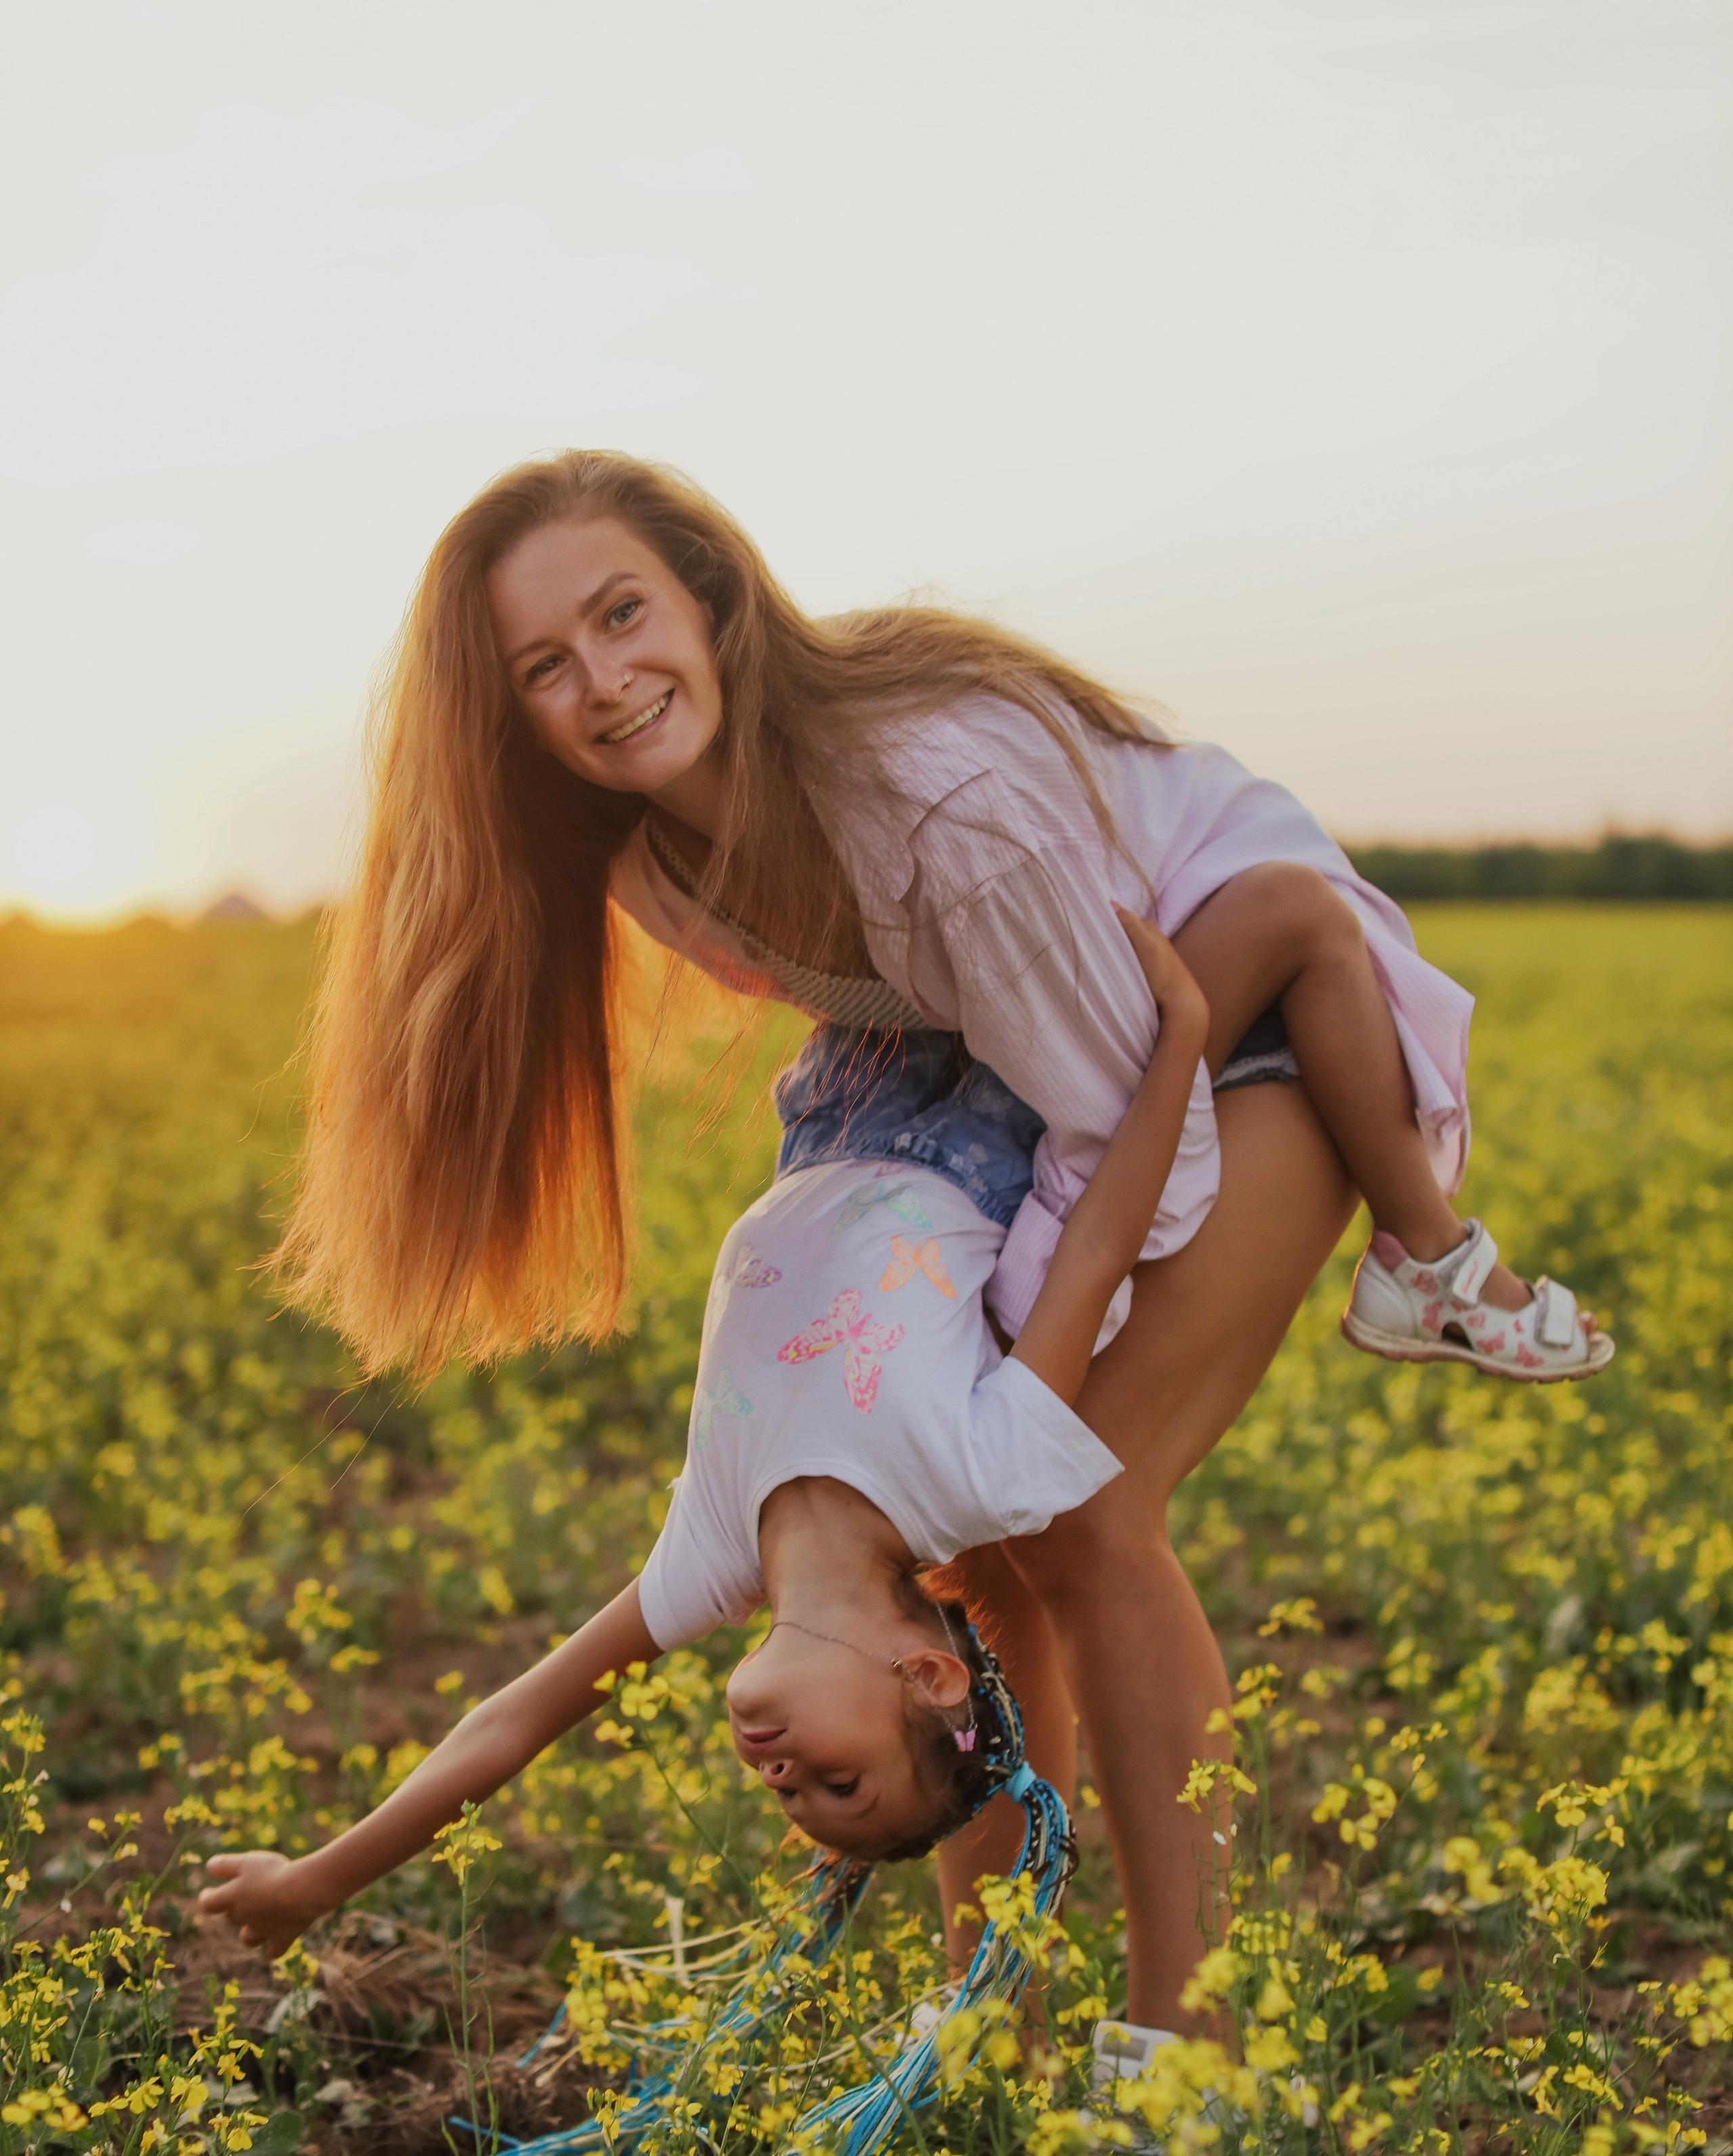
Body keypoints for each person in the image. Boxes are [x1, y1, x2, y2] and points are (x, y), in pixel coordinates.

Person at [263, 451, 1610, 2041]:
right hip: (1054, 1093)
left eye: (621, 616)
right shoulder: (653, 860)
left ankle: (1186, 2045)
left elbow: (1137, 1121)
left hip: (1214, 1036)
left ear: (708, 594)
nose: (601, 685)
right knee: (983, 1541)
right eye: (541, 670)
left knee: (1082, 1517)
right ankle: (993, 2025)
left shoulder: (942, 803)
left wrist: (1017, 1349)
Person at [198, 914, 1208, 1952]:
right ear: (928, 1674)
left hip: (839, 1102)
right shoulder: (979, 1483)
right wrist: (1180, 1038)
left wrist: (318, 1880)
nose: (779, 1776)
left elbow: (508, 1724)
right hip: (1009, 1126)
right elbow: (1089, 1254)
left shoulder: (707, 1561)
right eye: (837, 1780)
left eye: (789, 1797)